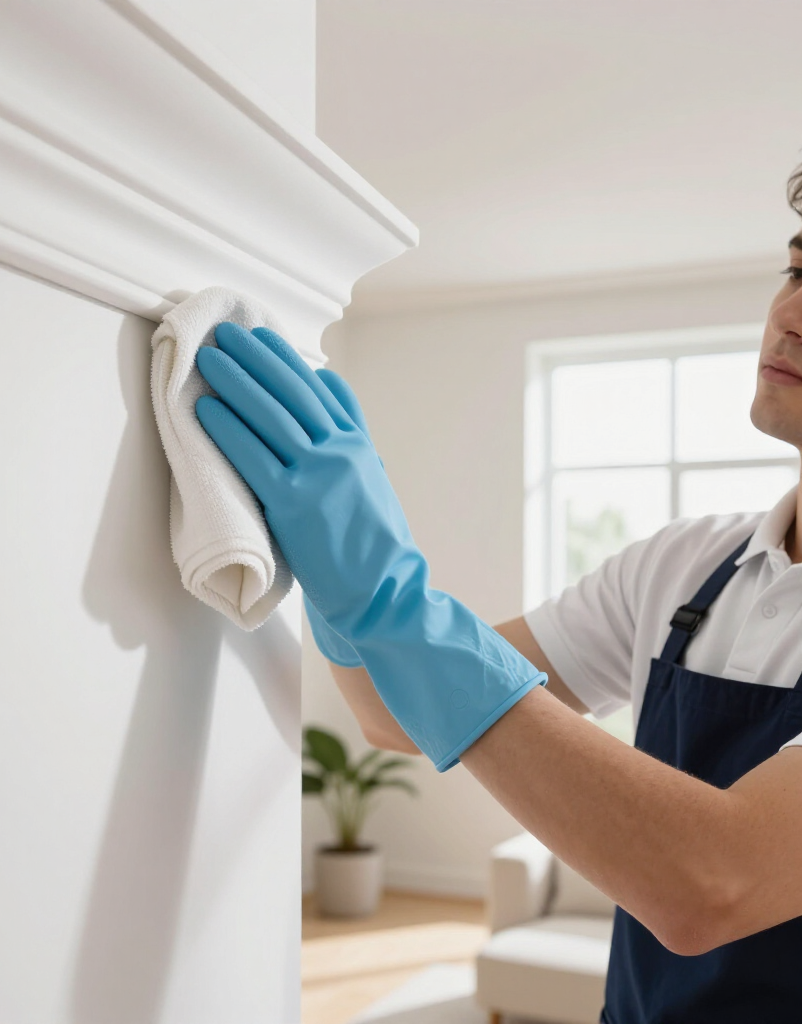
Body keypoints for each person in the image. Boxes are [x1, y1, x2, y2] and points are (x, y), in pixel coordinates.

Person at [194, 163, 802, 1023]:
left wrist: (394, 602)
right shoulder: (685, 567)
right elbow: (398, 719)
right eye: (798, 269)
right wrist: (339, 590)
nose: (790, 316)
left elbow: (712, 882)